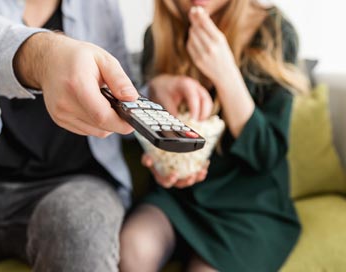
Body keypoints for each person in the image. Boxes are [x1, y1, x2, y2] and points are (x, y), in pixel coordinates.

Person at [0, 0, 138, 271]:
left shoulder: (101, 6)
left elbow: (126, 88)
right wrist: (47, 57)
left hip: (76, 183)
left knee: (79, 231)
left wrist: (157, 90)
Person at [120, 0, 309, 271]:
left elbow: (267, 155)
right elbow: (158, 141)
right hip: (179, 199)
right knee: (131, 250)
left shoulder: (274, 31)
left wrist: (226, 74)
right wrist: (163, 162)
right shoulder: (158, 35)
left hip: (250, 208)